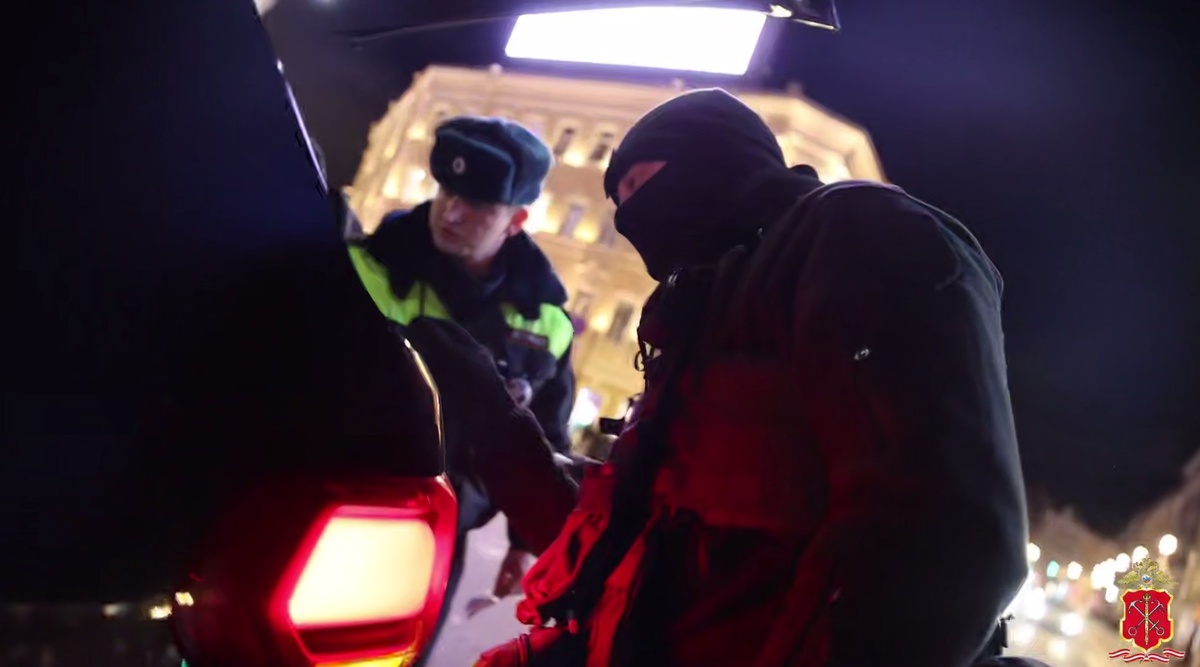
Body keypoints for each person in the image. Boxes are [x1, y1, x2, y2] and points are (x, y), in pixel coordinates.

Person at [470, 88, 1031, 666]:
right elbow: (647, 528)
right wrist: (491, 422)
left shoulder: (855, 234)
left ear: (712, 156)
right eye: (619, 199)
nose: (628, 215)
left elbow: (948, 542)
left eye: (640, 183)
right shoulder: (706, 303)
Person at [343, 116, 580, 656]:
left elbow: (546, 437)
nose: (450, 212)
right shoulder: (364, 266)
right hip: (336, 505)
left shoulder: (547, 322)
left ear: (516, 220)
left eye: (477, 204)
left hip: (439, 536)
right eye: (447, 191)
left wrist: (524, 541)